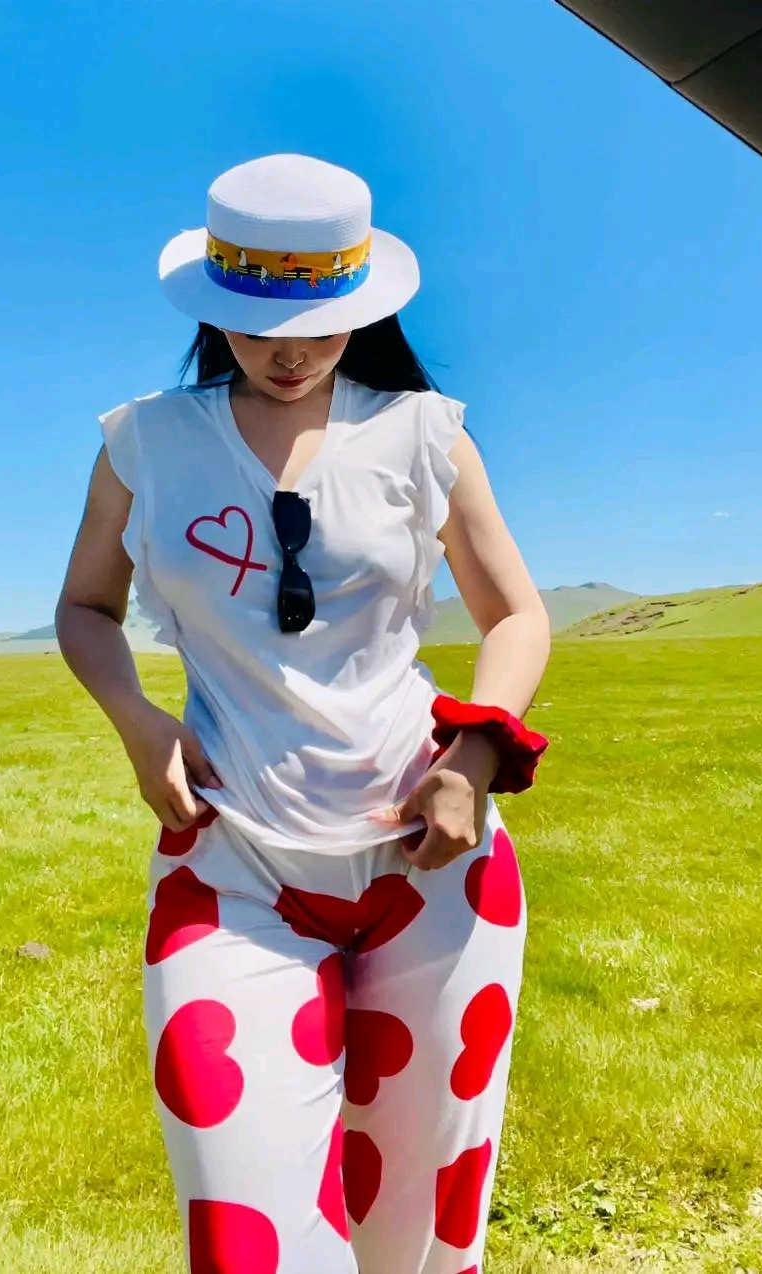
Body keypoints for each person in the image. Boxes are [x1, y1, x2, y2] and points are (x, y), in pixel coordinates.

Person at [55, 153, 551, 1274]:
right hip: (228, 870)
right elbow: (84, 608)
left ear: (360, 304)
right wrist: (138, 722)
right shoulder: (143, 445)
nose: (290, 351)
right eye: (258, 324)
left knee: (418, 1234)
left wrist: (472, 756)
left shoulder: (425, 434)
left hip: (434, 876)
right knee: (247, 1232)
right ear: (211, 305)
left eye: (320, 324)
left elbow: (516, 615)